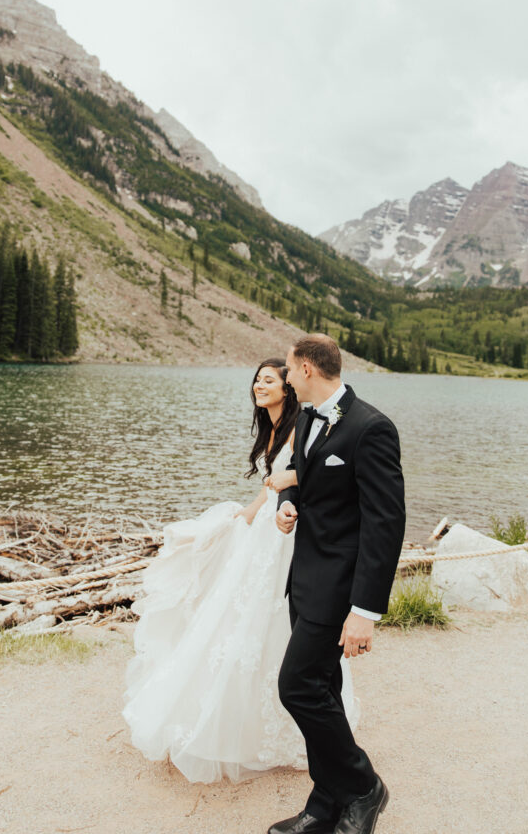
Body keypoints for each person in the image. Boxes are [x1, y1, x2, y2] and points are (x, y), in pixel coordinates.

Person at [122, 357, 359, 783]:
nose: (259, 385)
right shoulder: (271, 428)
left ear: (289, 385)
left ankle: (299, 724)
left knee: (270, 621)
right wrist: (245, 515)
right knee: (237, 617)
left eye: (270, 379)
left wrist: (280, 496)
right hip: (267, 527)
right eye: (257, 380)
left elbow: (309, 478)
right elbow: (269, 487)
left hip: (286, 537)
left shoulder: (299, 426)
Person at [269, 335, 405, 834]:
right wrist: (290, 508)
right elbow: (316, 487)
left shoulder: (371, 428)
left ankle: (364, 787)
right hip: (302, 581)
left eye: (288, 369)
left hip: (339, 589)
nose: (285, 378)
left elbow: (385, 524)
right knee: (321, 687)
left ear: (307, 368)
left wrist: (364, 611)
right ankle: (326, 801)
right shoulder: (306, 418)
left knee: (297, 687)